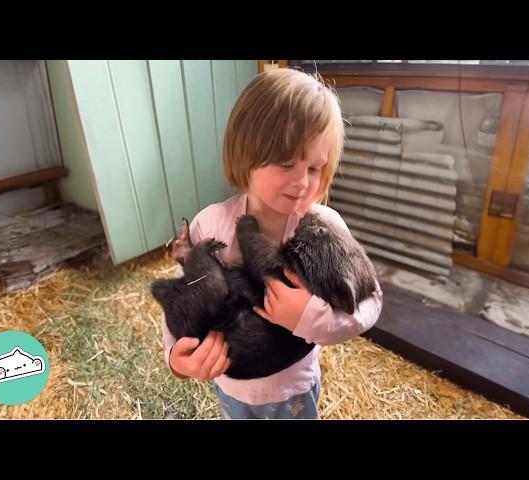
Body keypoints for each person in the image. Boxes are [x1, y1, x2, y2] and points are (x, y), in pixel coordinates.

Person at [161, 67, 383, 419]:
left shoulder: (324, 226)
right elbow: (183, 298)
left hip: (294, 388)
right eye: (285, 163)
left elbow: (371, 302)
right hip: (232, 386)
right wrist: (177, 356)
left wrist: (313, 318)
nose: (302, 182)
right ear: (246, 155)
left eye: (314, 168)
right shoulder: (211, 223)